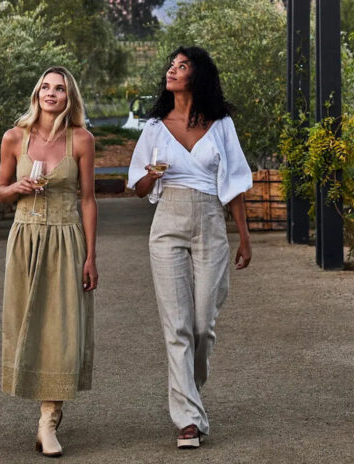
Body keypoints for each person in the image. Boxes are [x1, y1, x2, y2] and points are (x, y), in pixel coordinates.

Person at [126, 46, 253, 449]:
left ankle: (188, 393)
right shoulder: (154, 128)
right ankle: (187, 421)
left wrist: (244, 236)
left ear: (197, 76)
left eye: (181, 66)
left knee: (203, 324)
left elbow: (233, 184)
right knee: (177, 326)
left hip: (211, 222)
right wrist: (149, 176)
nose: (172, 70)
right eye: (171, 65)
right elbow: (139, 188)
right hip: (167, 222)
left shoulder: (221, 125)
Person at [0, 66, 98, 458]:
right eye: (45, 87)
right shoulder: (13, 138)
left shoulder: (82, 140)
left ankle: (49, 420)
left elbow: (88, 200)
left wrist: (92, 255)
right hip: (25, 239)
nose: (50, 93)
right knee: (28, 326)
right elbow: (2, 193)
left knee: (62, 329)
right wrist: (16, 188)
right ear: (37, 92)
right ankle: (44, 414)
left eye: (59, 89)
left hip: (66, 238)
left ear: (68, 97)